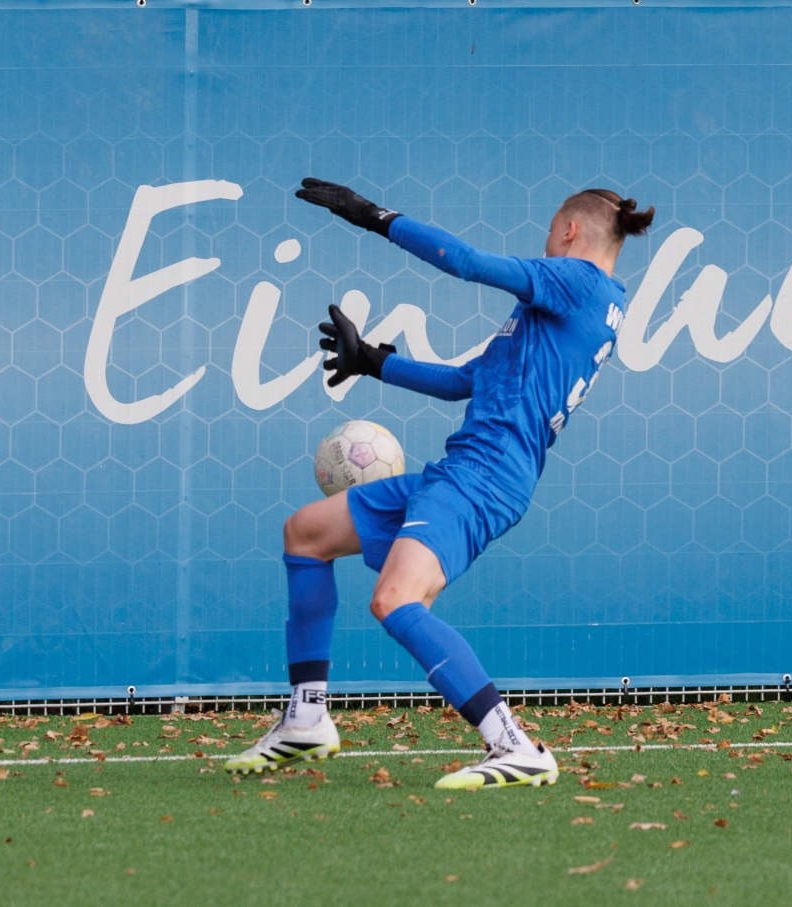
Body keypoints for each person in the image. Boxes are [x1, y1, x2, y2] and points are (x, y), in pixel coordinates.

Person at [226, 179, 653, 789]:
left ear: (569, 230)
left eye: (548, 231)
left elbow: (469, 263)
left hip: (485, 477)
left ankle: (514, 745)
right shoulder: (576, 307)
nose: (544, 242)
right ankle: (306, 719)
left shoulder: (577, 281)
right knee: (307, 534)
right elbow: (464, 381)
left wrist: (374, 216)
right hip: (463, 471)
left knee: (396, 600)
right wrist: (375, 363)